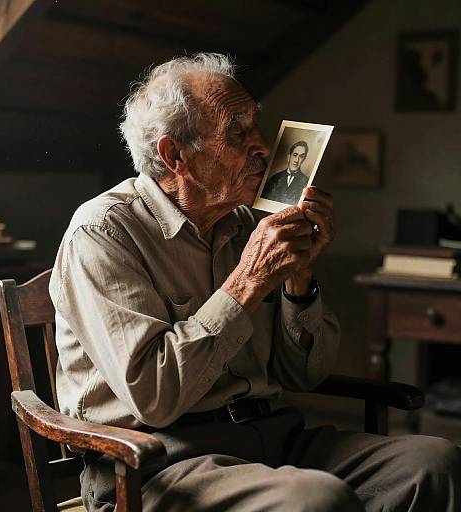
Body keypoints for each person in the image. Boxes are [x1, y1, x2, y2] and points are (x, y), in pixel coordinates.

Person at [49, 53, 460, 511]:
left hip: (271, 439)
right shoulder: (103, 231)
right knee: (316, 499)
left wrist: (297, 279)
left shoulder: (247, 224)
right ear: (174, 155)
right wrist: (249, 279)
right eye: (237, 132)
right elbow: (154, 397)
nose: (264, 146)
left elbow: (305, 373)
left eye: (255, 127)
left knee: (435, 462)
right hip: (158, 464)